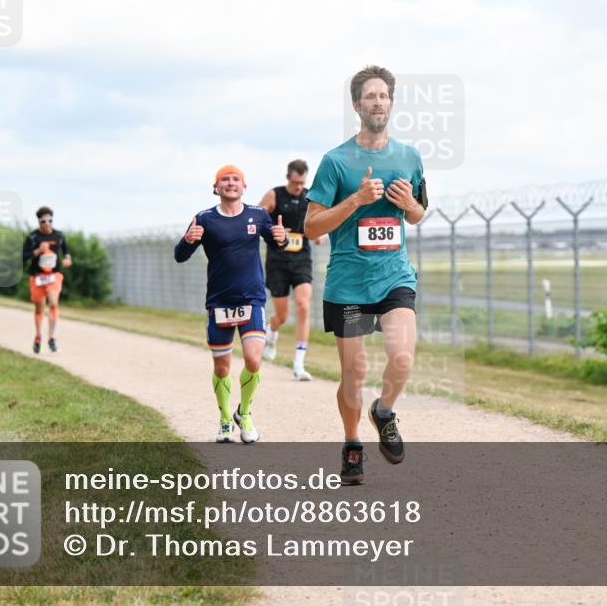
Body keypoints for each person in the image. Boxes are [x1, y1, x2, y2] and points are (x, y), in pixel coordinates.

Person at [304, 65, 427, 485]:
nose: (378, 102)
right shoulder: (335, 162)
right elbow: (312, 226)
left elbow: (418, 214)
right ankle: (352, 443)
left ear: (392, 103)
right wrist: (355, 200)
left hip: (394, 276)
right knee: (353, 373)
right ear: (357, 105)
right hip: (349, 285)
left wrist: (410, 203)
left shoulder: (409, 157)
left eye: (384, 96)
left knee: (403, 356)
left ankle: (385, 410)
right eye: (370, 97)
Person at [174, 165, 287, 443]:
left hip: (252, 299)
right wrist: (188, 241)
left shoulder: (258, 215)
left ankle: (244, 413)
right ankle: (225, 419)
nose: (231, 183)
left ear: (244, 187)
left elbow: (276, 244)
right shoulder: (204, 218)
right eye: (225, 179)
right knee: (222, 368)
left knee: (253, 359)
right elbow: (180, 255)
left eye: (236, 179)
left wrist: (282, 240)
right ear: (216, 187)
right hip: (219, 302)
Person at [259, 159, 325, 380]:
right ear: (288, 177)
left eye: (302, 182)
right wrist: (272, 228)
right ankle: (272, 329)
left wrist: (318, 235)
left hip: (301, 259)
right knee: (283, 315)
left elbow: (318, 226)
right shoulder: (274, 195)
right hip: (277, 260)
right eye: (295, 182)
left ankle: (299, 364)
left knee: (303, 306)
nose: (298, 187)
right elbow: (255, 221)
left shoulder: (310, 198)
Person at [22, 206, 72, 353]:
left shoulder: (59, 236)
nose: (47, 223)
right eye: (43, 221)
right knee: (40, 308)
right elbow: (23, 257)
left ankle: (52, 337)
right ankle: (38, 336)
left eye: (50, 220)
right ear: (39, 222)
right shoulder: (32, 237)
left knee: (54, 304)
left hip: (54, 276)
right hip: (37, 277)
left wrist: (67, 259)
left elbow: (67, 252)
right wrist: (38, 251)